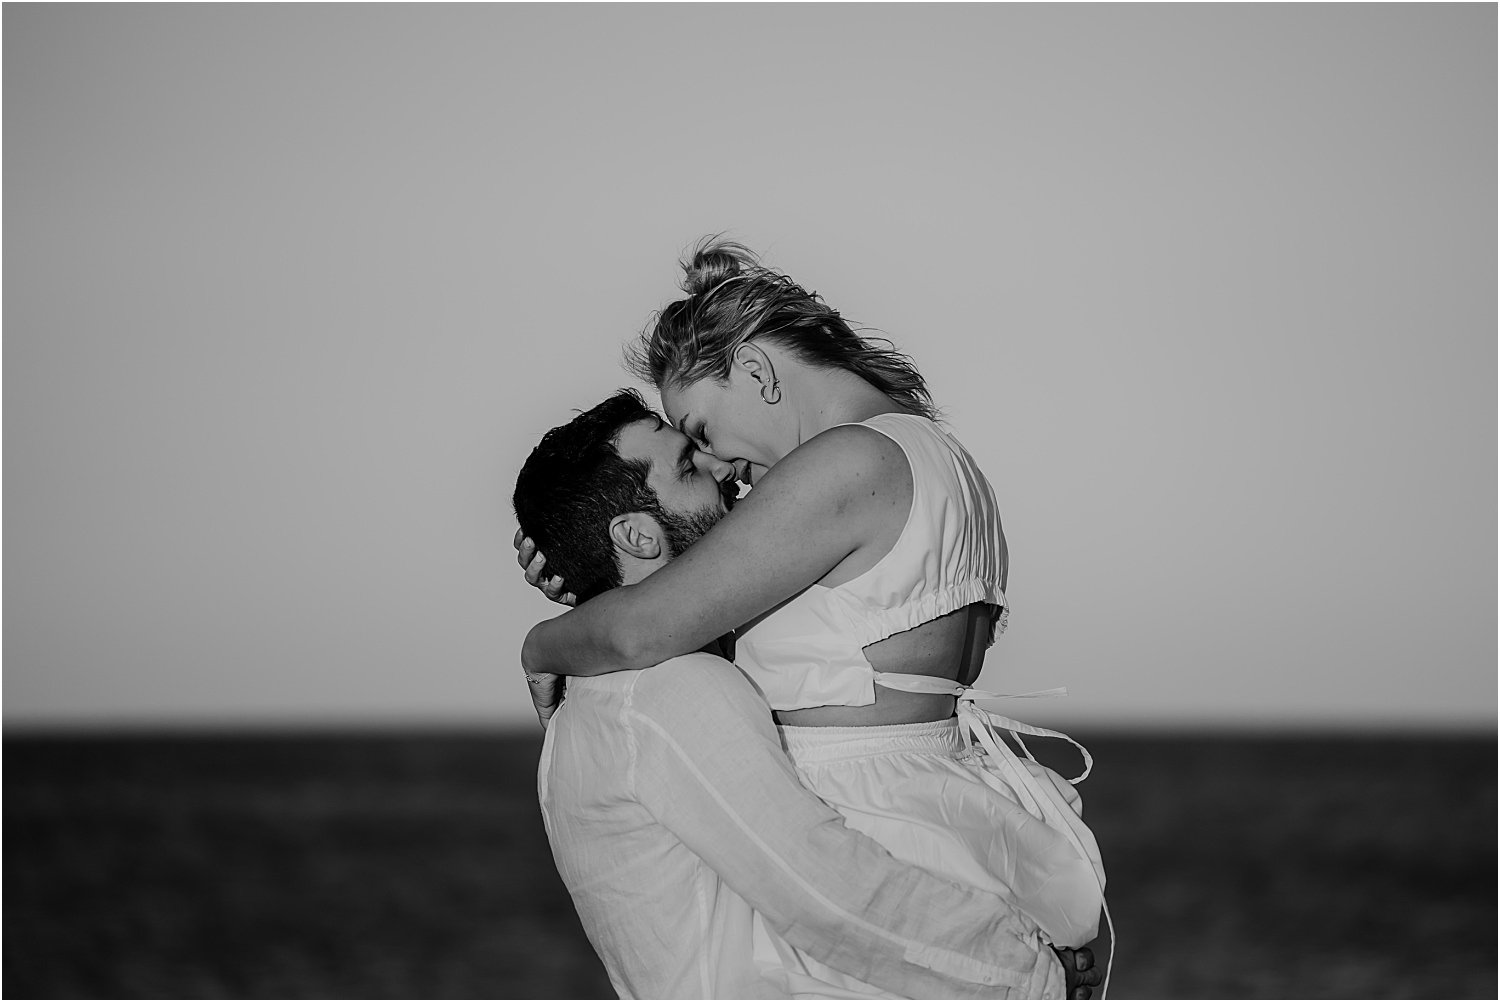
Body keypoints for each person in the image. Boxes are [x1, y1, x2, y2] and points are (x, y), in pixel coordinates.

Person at [518, 240, 1111, 993]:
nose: (719, 469)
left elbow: (642, 632)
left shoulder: (841, 466)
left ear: (758, 372)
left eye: (700, 432)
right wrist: (597, 583)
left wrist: (545, 646)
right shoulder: (934, 458)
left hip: (872, 860)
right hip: (934, 825)